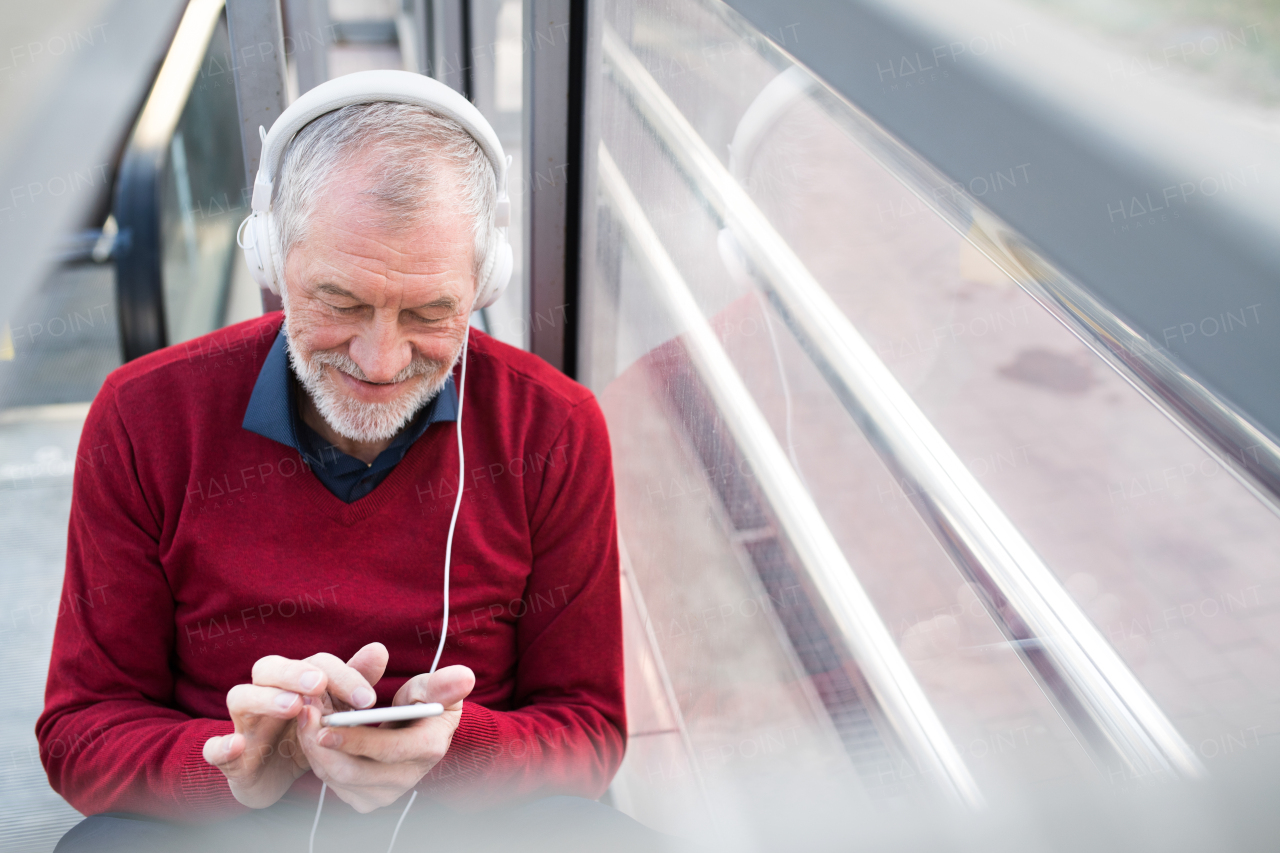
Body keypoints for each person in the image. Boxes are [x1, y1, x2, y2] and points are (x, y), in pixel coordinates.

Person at [39, 71, 658, 851]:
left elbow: (591, 731)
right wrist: (231, 770)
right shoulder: (143, 416)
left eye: (433, 313)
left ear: (482, 283)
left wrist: (460, 748)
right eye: (340, 302)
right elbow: (80, 733)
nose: (381, 357)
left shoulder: (555, 426)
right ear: (271, 253)